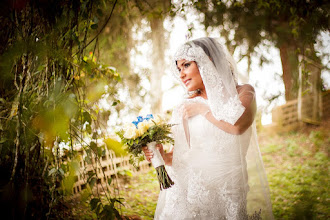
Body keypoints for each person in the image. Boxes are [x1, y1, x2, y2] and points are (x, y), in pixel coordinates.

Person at [143, 37, 274, 220]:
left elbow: (238, 126)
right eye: (179, 69)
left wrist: (203, 110)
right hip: (195, 196)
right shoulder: (184, 106)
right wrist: (162, 156)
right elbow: (181, 158)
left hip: (231, 194)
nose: (181, 74)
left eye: (186, 65)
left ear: (207, 61)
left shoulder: (244, 92)